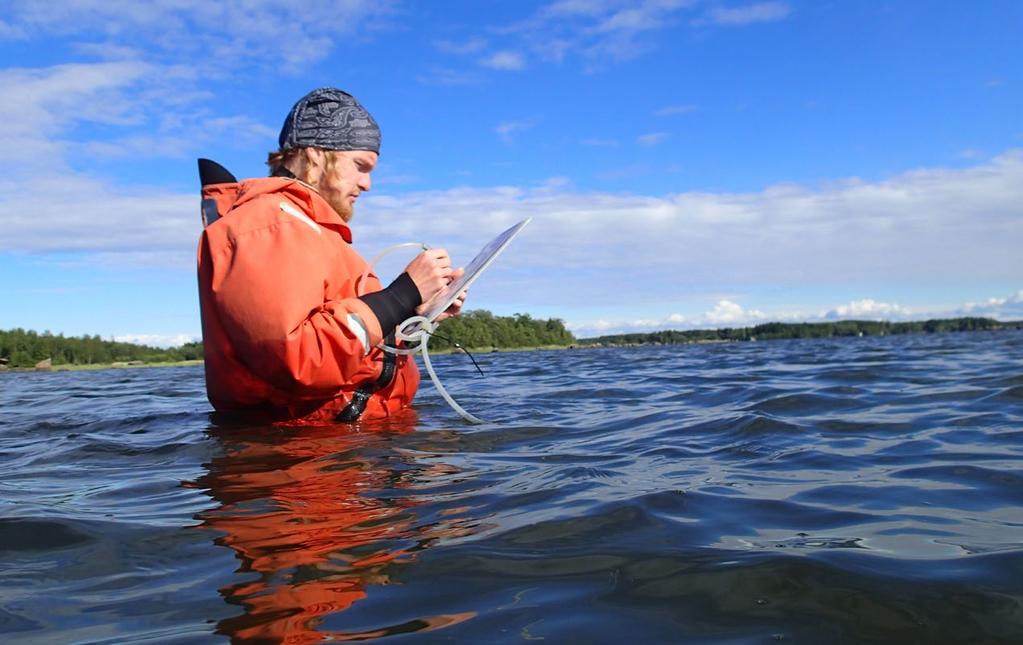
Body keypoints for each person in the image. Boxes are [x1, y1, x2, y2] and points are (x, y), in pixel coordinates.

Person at [196, 87, 465, 423]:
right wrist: (403, 293)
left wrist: (417, 309)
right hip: (302, 463)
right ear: (316, 155)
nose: (367, 184)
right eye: (360, 165)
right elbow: (295, 359)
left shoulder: (307, 229)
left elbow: (349, 341)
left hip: (355, 445)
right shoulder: (267, 223)